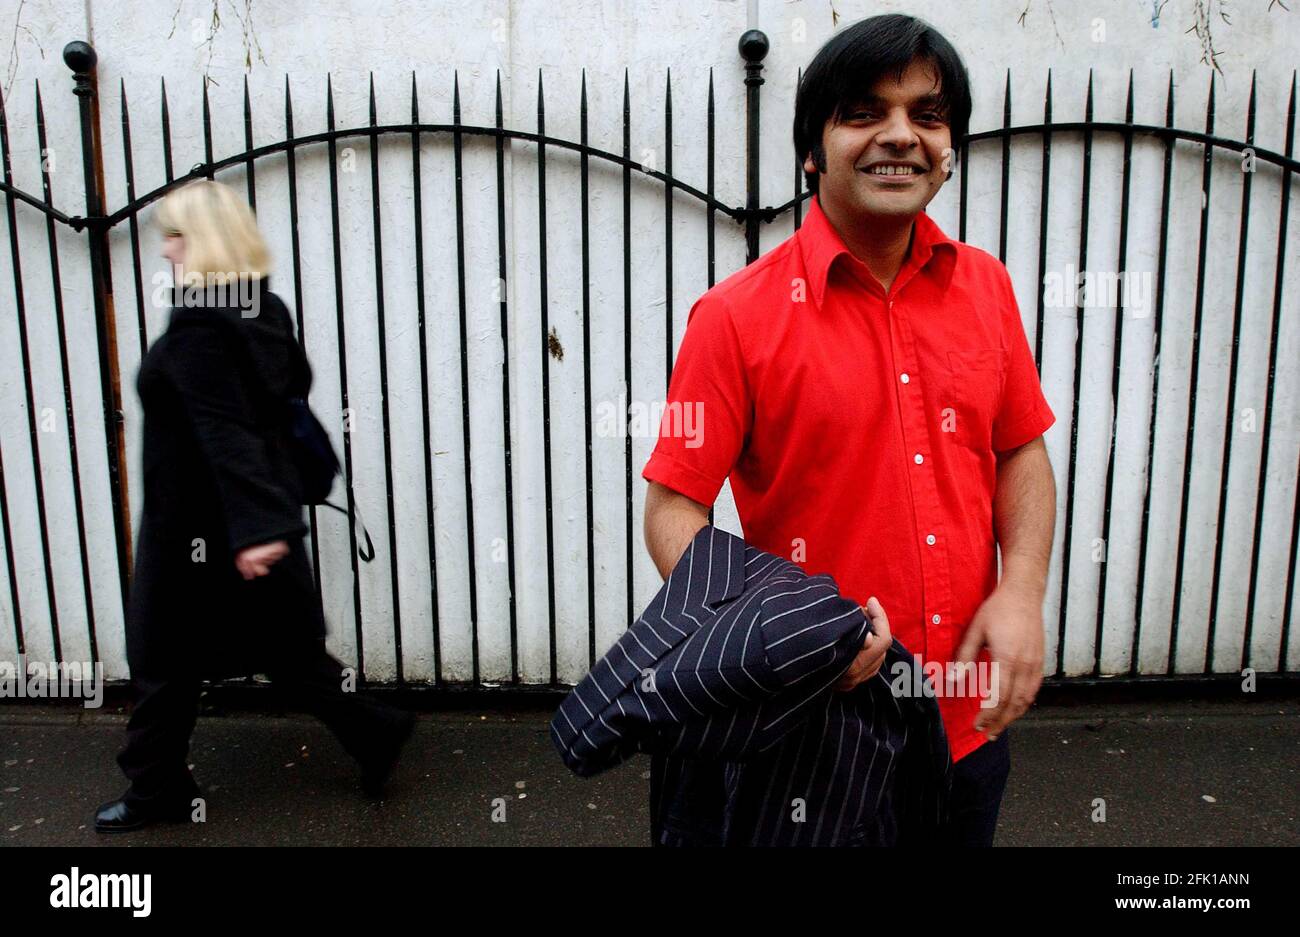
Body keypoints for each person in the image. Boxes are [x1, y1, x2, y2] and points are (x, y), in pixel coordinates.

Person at [642, 14, 1057, 846]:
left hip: (965, 724)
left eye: (927, 115)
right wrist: (783, 622)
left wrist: (1022, 591)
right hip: (816, 735)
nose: (900, 135)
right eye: (864, 112)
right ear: (812, 149)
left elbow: (1021, 450)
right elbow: (671, 509)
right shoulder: (734, 318)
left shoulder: (986, 288)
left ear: (948, 149)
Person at [95, 180, 415, 834]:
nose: (167, 253)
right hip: (246, 526)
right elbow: (273, 407)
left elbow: (225, 430)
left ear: (205, 241)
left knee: (162, 658)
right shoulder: (260, 309)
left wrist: (256, 528)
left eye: (176, 237)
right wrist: (264, 524)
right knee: (292, 655)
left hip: (204, 528)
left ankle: (157, 789)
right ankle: (375, 731)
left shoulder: (199, 326)